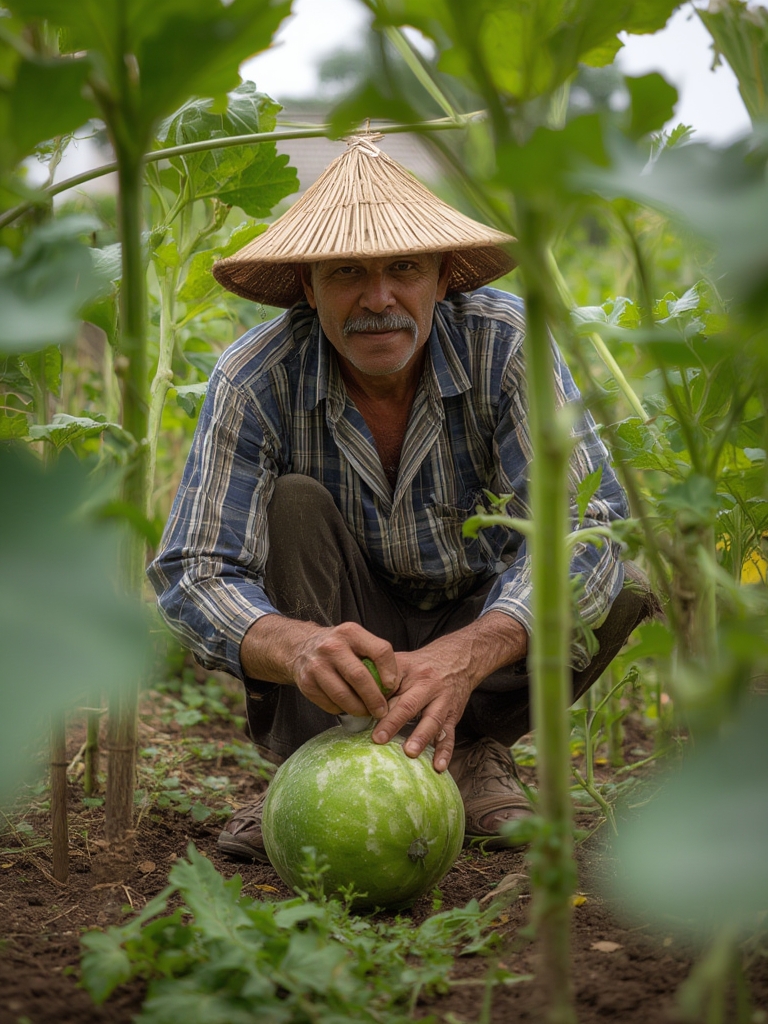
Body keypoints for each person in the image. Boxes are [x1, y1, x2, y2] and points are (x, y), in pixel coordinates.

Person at [148, 135, 654, 862]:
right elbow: (191, 571)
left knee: (615, 578)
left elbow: (592, 523)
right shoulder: (255, 375)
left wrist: (468, 651)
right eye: (347, 272)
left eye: (404, 268)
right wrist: (300, 649)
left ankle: (473, 746)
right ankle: (321, 768)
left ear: (445, 276)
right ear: (308, 287)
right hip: (345, 636)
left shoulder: (505, 344)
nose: (378, 299)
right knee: (292, 503)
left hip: (477, 619)